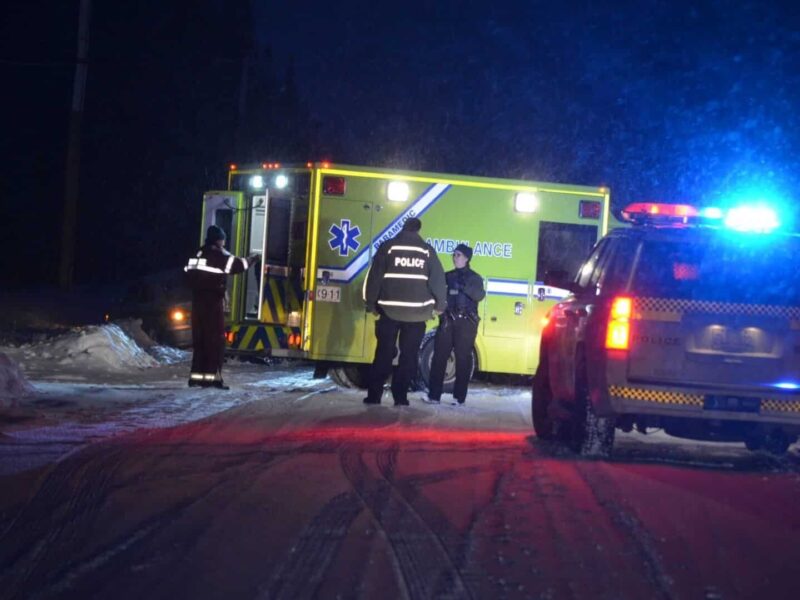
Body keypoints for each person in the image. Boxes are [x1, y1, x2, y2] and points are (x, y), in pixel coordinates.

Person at [362, 217, 447, 405]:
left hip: (389, 311)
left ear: (403, 228)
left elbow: (374, 277)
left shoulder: (388, 247)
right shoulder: (426, 251)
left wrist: (371, 303)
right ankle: (400, 398)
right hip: (416, 315)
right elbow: (438, 281)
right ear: (418, 230)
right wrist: (440, 305)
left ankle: (374, 396)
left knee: (383, 353)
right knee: (408, 357)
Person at [184, 225, 258, 389]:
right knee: (214, 340)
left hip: (197, 302)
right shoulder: (218, 254)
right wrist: (253, 258)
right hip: (212, 303)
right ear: (219, 240)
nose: (224, 243)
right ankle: (213, 379)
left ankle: (196, 378)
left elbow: (187, 274)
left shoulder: (197, 253)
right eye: (223, 240)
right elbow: (239, 265)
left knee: (200, 340)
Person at [426, 243, 485, 405]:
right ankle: (434, 396)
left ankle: (459, 398)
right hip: (447, 321)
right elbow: (438, 295)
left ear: (466, 258)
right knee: (439, 357)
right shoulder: (447, 276)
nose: (454, 257)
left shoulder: (475, 278)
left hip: (466, 323)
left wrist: (463, 287)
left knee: (463, 359)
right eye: (454, 255)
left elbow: (480, 295)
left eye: (458, 255)